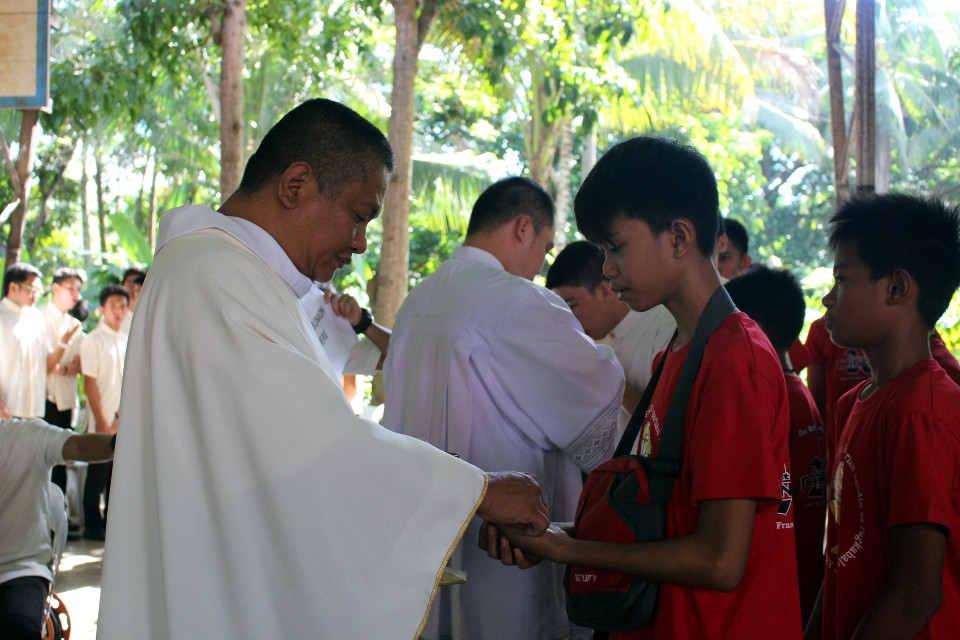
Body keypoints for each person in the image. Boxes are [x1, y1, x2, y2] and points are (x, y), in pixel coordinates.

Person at [97, 98, 550, 640]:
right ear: (296, 185)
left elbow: (272, 448)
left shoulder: (223, 272)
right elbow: (312, 445)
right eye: (359, 215)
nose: (360, 243)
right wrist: (477, 490)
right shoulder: (215, 274)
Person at [483, 136, 802, 639]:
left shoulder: (733, 358)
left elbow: (719, 559)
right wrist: (550, 536)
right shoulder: (679, 352)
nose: (608, 270)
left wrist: (569, 550)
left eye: (615, 248)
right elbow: (667, 523)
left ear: (678, 237)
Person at [382, 177, 624, 640]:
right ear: (522, 228)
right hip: (507, 550)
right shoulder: (519, 301)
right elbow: (597, 406)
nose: (540, 264)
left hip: (422, 542)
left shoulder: (417, 301)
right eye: (545, 246)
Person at [804, 193, 960, 640]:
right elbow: (839, 556)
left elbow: (916, 591)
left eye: (842, 279)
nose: (829, 298)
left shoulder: (924, 410)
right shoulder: (854, 402)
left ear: (896, 288)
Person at [725, 266, 826, 623]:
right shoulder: (801, 394)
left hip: (778, 587)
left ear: (751, 327)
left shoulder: (774, 397)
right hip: (803, 580)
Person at [0, 418, 114, 640]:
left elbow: (79, 446)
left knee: (18, 625)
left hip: (21, 569)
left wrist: (119, 443)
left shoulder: (26, 435)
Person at [547, 240, 675, 415]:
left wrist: (609, 379)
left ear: (605, 292)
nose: (569, 318)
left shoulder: (664, 326)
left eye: (572, 305)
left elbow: (665, 424)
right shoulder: (596, 339)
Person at [79, 284, 129, 541]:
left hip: (122, 419)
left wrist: (121, 418)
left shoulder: (127, 338)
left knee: (116, 476)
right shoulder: (93, 340)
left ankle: (112, 524)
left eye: (123, 306)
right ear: (102, 310)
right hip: (101, 418)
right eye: (113, 306)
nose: (119, 312)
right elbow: (90, 382)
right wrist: (100, 419)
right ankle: (92, 525)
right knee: (96, 475)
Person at [40, 268, 85, 492]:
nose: (75, 294)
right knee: (41, 459)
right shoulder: (39, 317)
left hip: (66, 400)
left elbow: (78, 365)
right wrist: (63, 347)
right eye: (71, 289)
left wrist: (61, 367)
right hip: (45, 398)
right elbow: (46, 365)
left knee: (62, 459)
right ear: (55, 288)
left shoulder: (75, 323)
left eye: (78, 290)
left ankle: (61, 517)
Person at [0, 264, 48, 420]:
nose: (35, 296)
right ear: (13, 287)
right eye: (31, 290)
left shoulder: (37, 318)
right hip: (6, 410)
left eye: (38, 291)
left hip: (34, 411)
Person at [118, 267, 145, 335]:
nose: (133, 288)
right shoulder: (115, 315)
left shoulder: (149, 317)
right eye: (129, 283)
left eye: (137, 285)